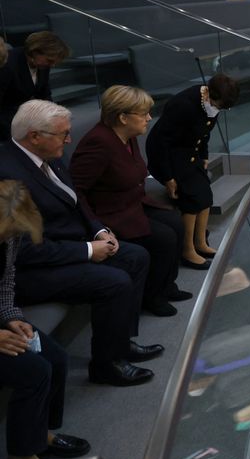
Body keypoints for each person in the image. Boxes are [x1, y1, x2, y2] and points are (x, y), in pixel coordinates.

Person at [0, 101, 160, 386]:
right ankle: (106, 366)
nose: (69, 140)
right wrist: (86, 251)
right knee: (114, 282)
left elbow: (76, 200)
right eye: (63, 134)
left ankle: (121, 343)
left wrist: (99, 231)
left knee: (136, 257)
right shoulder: (8, 173)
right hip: (30, 271)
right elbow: (21, 251)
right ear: (34, 136)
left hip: (68, 244)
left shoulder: (47, 153)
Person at [70, 86, 190, 317]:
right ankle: (152, 296)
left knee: (175, 222)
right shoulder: (98, 143)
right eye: (143, 113)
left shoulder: (127, 134)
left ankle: (166, 286)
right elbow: (76, 191)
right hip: (111, 213)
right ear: (123, 117)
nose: (149, 118)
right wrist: (97, 227)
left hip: (132, 202)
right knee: (163, 238)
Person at [0, 180, 91, 459]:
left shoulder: (9, 235)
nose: (10, 238)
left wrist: (12, 317)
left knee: (56, 358)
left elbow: (5, 282)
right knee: (34, 371)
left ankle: (38, 435)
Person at [146, 74, 239, 269]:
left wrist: (204, 156)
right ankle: (187, 250)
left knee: (206, 194)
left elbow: (204, 132)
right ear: (210, 94)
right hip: (167, 155)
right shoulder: (184, 105)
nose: (219, 110)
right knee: (193, 198)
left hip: (189, 152)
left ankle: (200, 242)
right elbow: (161, 142)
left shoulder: (213, 103)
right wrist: (168, 177)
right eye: (220, 105)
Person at [0, 31, 70, 139]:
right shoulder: (7, 63)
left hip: (23, 119)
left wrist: (55, 117)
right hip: (7, 125)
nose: (53, 65)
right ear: (35, 51)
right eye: (50, 60)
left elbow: (45, 95)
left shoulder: (43, 65)